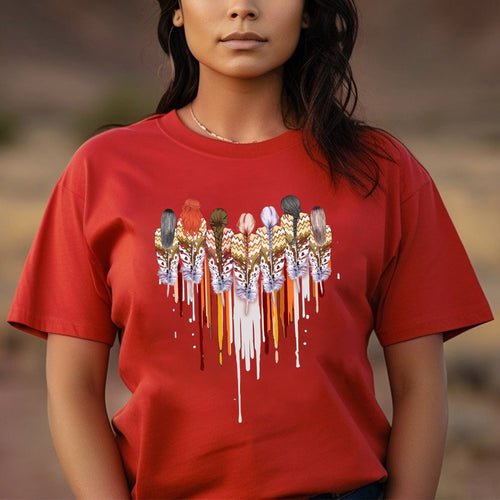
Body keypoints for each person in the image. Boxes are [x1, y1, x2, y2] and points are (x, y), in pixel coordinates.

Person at [7, 0, 493, 498]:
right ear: (177, 11)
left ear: (308, 11)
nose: (242, 8)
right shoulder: (102, 172)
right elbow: (72, 389)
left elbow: (421, 388)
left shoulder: (383, 173)